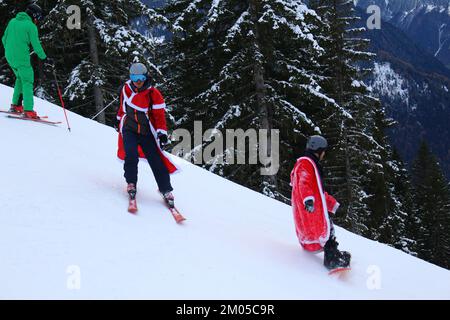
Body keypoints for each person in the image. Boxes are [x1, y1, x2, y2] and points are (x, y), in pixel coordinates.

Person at [116, 62, 179, 208]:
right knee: (130, 155)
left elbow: (159, 115)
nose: (138, 81)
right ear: (130, 77)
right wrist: (118, 119)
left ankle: (166, 190)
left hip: (145, 131)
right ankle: (131, 183)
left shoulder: (153, 94)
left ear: (146, 76)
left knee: (156, 160)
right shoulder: (125, 89)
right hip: (129, 128)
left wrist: (162, 133)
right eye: (134, 77)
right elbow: (122, 107)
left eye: (141, 77)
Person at [290, 135, 351, 270]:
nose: (324, 154)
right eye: (324, 151)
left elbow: (318, 191)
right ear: (319, 151)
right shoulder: (305, 164)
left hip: (313, 208)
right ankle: (332, 260)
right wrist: (308, 199)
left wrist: (332, 204)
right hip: (310, 209)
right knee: (326, 231)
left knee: (328, 230)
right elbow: (303, 183)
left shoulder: (310, 165)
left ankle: (334, 254)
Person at [2, 3, 49, 119]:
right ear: (34, 16)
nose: (37, 21)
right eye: (37, 18)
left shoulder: (12, 21)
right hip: (21, 58)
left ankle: (16, 105)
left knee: (20, 78)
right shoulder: (30, 26)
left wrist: (10, 50)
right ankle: (28, 110)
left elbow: (4, 38)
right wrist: (45, 58)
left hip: (9, 56)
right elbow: (36, 45)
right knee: (27, 80)